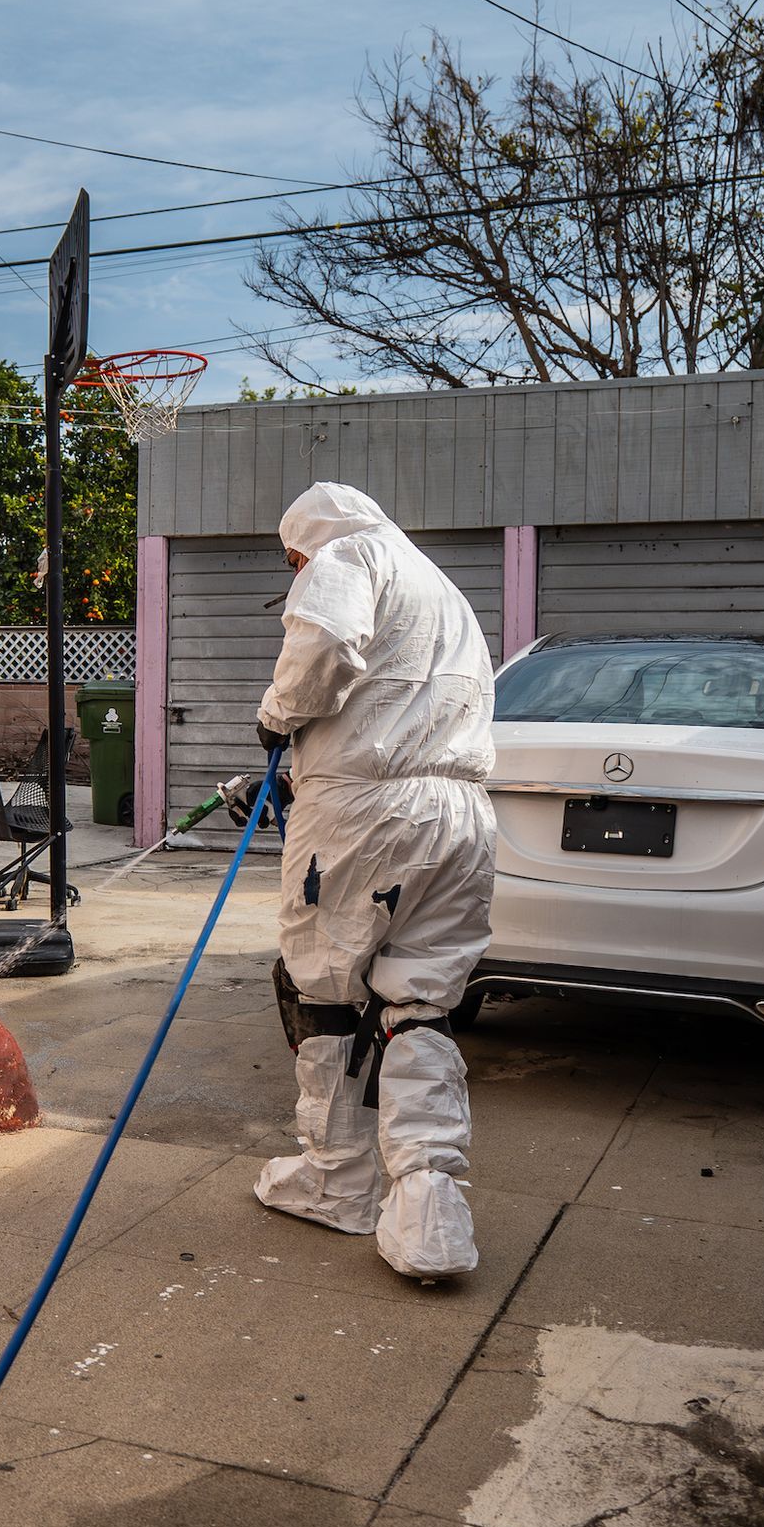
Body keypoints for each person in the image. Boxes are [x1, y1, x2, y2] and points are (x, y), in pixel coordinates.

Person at [227, 483, 496, 1280]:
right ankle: (430, 1210)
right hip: (462, 814)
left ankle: (336, 1181)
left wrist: (277, 715)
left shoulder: (346, 553)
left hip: (366, 810)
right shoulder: (442, 590)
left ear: (305, 542)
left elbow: (328, 647)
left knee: (323, 989)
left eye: (291, 560)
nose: (295, 569)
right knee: (418, 1000)